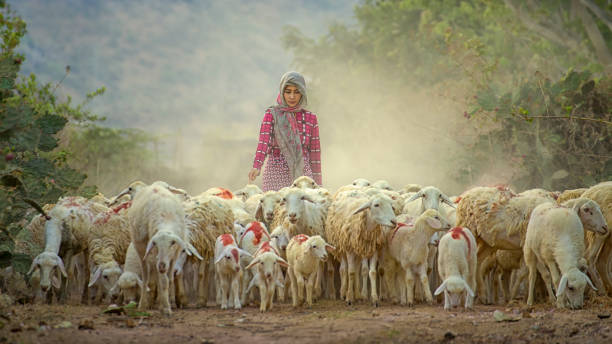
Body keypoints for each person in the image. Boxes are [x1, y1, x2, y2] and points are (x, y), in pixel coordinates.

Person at [248, 71, 322, 191]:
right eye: (288, 92)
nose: (292, 96)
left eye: (296, 92)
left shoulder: (310, 118)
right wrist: (257, 166)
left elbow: (315, 154)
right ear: (282, 92)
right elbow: (263, 143)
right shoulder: (272, 115)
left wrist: (318, 185)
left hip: (303, 176)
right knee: (274, 207)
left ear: (302, 93)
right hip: (276, 174)